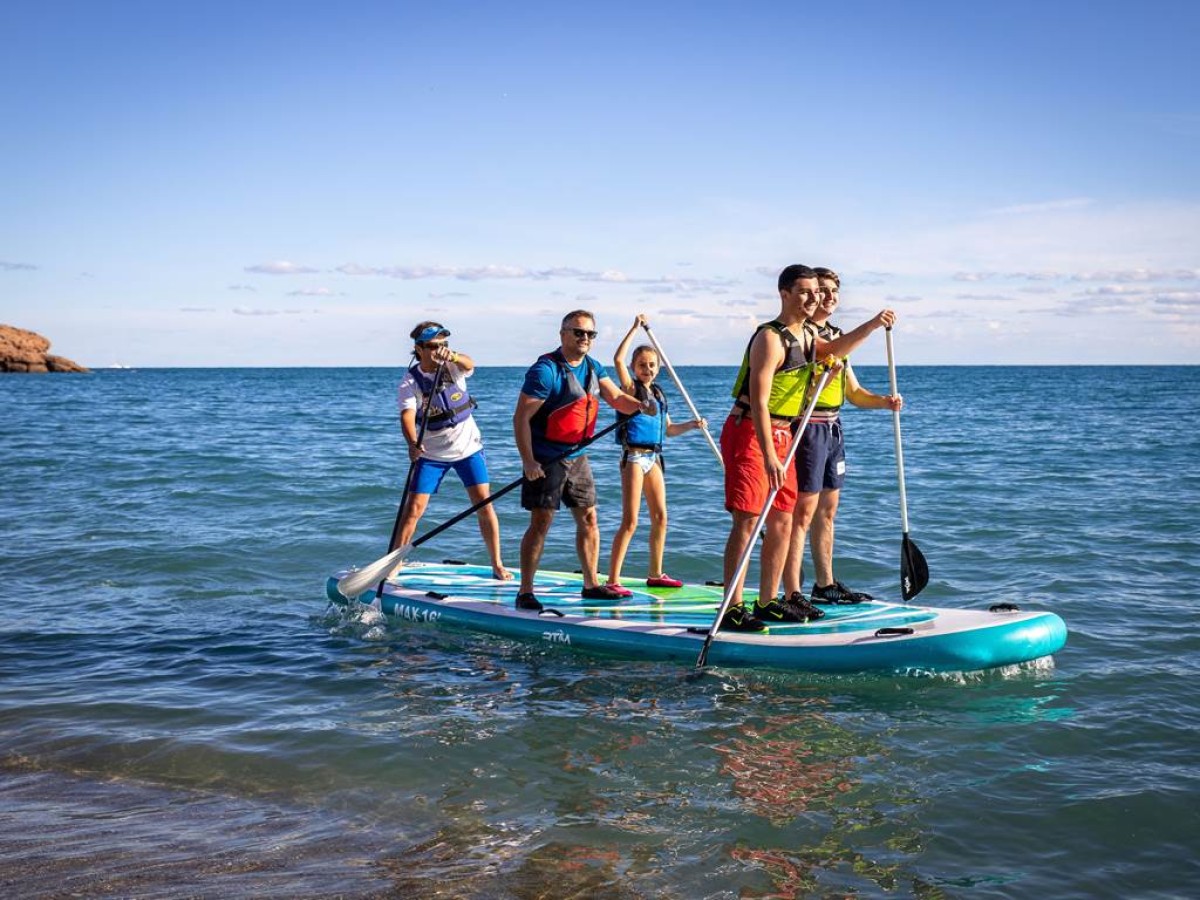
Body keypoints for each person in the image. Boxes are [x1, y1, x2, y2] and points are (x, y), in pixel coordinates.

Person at [719, 264, 896, 632]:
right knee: (748, 521)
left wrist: (874, 325)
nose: (812, 298)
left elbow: (836, 349)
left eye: (815, 292)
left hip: (785, 434)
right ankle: (733, 605)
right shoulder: (770, 337)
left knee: (783, 521)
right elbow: (761, 399)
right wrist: (769, 455)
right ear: (784, 294)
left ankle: (768, 601)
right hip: (752, 429)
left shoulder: (810, 337)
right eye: (804, 292)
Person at [512, 310, 651, 611]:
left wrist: (642, 405)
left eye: (590, 334)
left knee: (589, 518)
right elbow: (521, 418)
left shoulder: (593, 367)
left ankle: (591, 585)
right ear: (562, 334)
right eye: (578, 332)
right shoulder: (546, 370)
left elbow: (616, 398)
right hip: (546, 457)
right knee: (541, 522)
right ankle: (525, 591)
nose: (585, 338)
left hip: (577, 455)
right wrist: (528, 461)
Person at [783, 268, 903, 606]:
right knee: (802, 512)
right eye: (823, 290)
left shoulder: (837, 335)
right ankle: (792, 591)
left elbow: (854, 393)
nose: (831, 296)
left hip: (833, 428)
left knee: (828, 511)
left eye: (835, 290)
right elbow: (826, 352)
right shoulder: (805, 333)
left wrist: (884, 402)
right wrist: (872, 325)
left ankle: (825, 584)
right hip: (806, 428)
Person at [394, 321, 511, 580]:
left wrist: (454, 356)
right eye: (434, 346)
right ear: (419, 349)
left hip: (469, 449)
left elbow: (469, 364)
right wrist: (412, 444)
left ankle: (497, 564)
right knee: (413, 510)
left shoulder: (452, 367)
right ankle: (394, 562)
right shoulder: (409, 382)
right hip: (432, 455)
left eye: (444, 345)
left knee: (484, 505)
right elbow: (407, 416)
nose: (440, 351)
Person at [604, 313, 708, 596]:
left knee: (661, 517)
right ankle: (613, 579)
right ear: (634, 368)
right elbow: (616, 360)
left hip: (655, 459)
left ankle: (655, 573)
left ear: (658, 367)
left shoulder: (660, 394)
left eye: (651, 365)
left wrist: (693, 426)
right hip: (634, 458)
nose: (646, 369)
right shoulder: (630, 389)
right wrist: (634, 328)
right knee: (631, 520)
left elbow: (669, 429)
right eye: (641, 365)